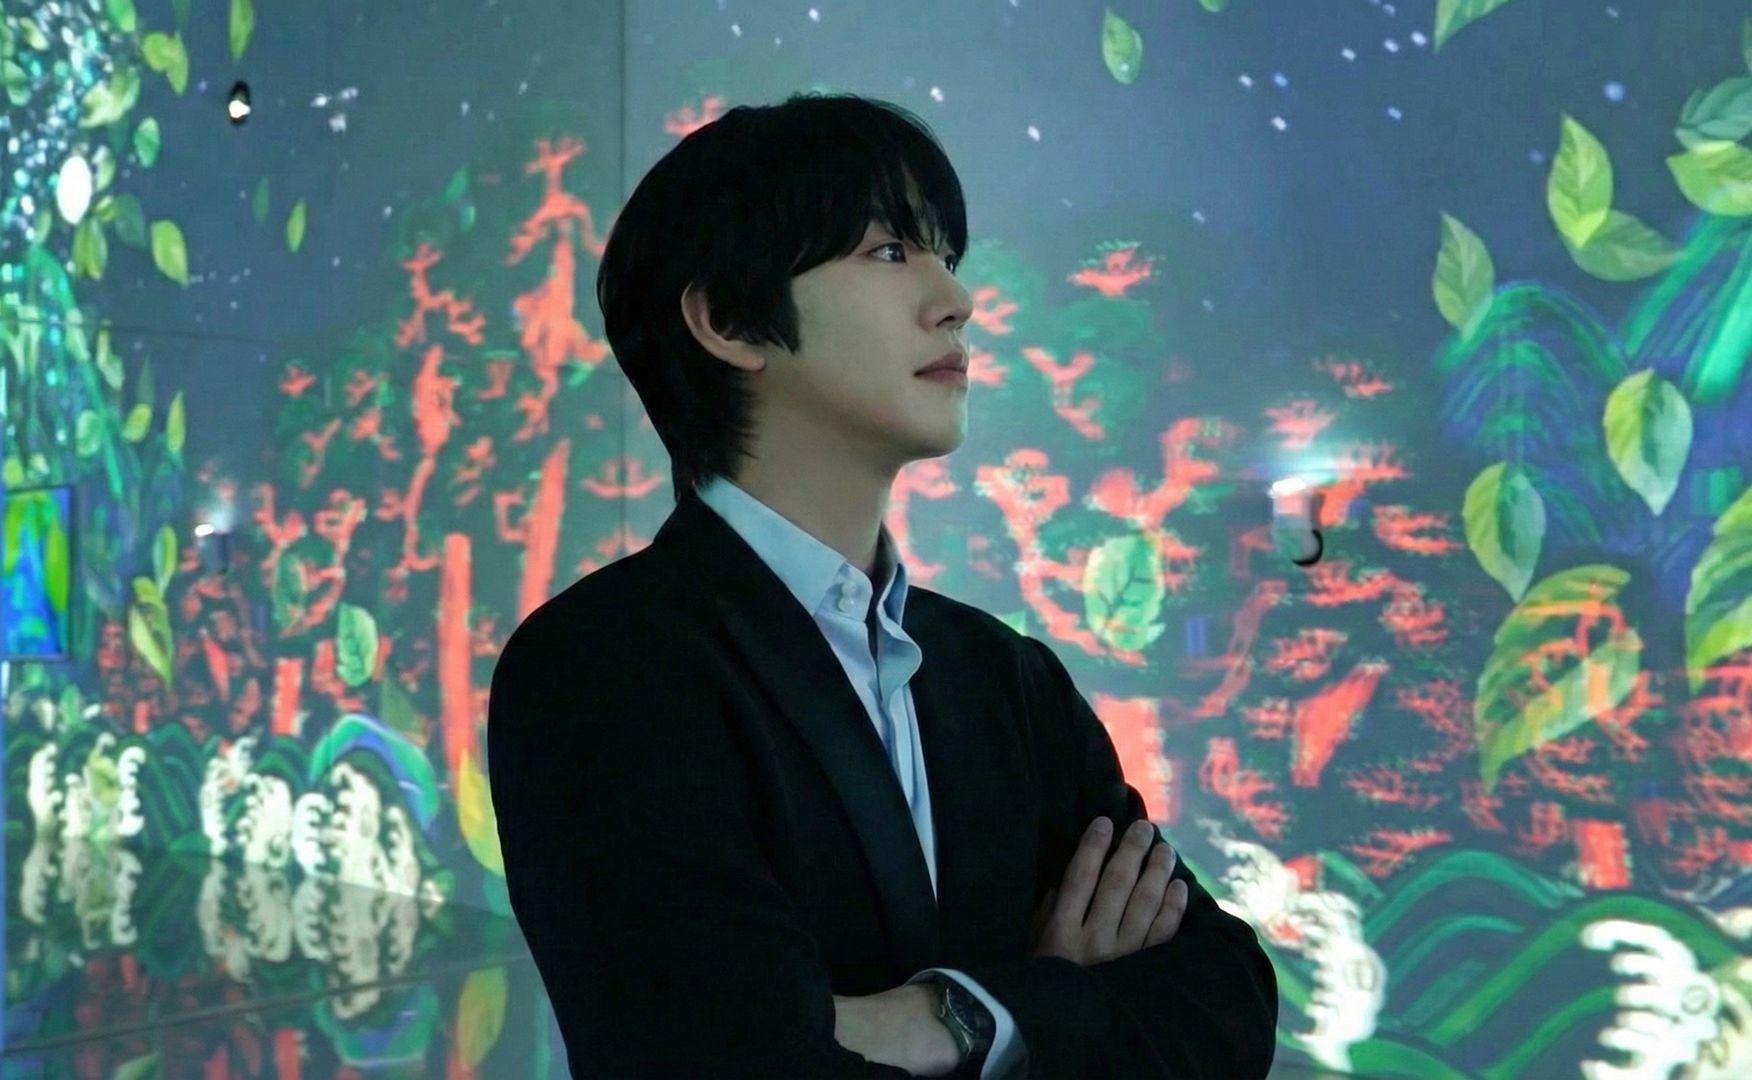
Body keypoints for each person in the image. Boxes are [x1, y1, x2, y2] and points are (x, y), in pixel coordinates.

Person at [485, 91, 1279, 1079]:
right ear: (729, 320)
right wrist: (1051, 1002)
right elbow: (730, 1062)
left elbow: (1228, 999)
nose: (956, 300)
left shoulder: (1002, 675)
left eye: (945, 254)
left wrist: (944, 1019)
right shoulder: (602, 668)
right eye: (890, 252)